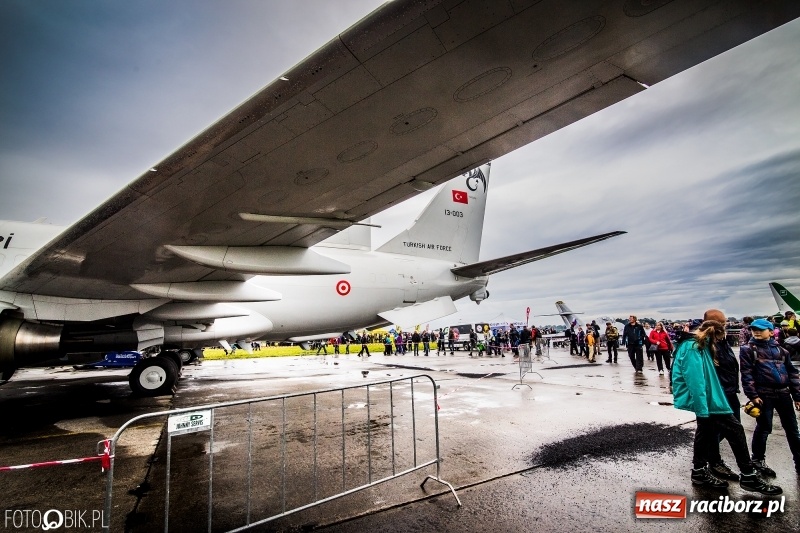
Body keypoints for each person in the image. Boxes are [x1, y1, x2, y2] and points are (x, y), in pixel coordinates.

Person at [671, 315, 781, 494]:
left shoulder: (696, 345)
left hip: (709, 399)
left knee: (705, 433)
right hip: (709, 400)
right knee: (735, 430)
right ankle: (748, 475)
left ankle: (699, 472)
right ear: (715, 335)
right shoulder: (694, 347)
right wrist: (703, 408)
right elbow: (696, 381)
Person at [739, 318, 800, 476]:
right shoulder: (748, 349)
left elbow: (792, 373)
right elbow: (746, 374)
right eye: (754, 329)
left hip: (784, 393)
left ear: (771, 332)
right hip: (764, 394)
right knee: (764, 428)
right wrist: (752, 395)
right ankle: (758, 460)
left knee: (793, 429)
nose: (756, 332)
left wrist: (797, 396)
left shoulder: (782, 350)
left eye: (760, 329)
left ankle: (798, 461)